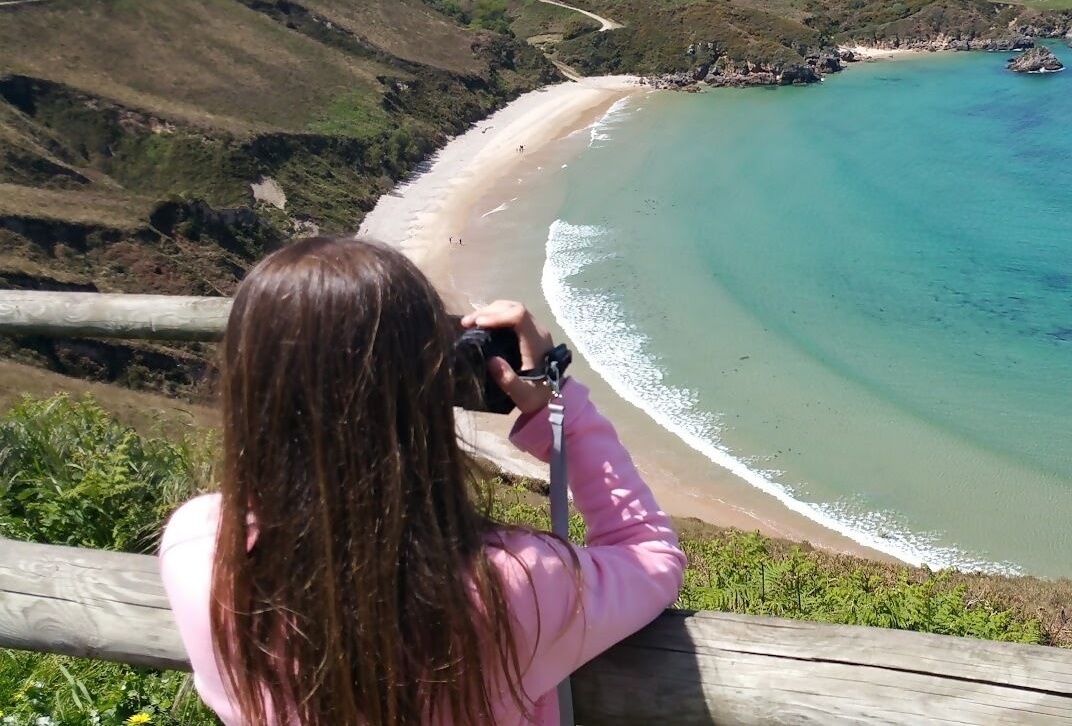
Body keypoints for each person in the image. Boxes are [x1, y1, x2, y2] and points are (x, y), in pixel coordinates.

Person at [158, 237, 685, 725]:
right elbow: (649, 554)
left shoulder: (200, 550)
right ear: (433, 385)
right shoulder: (514, 584)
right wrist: (557, 402)